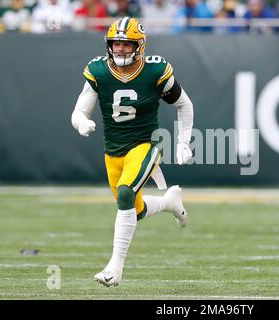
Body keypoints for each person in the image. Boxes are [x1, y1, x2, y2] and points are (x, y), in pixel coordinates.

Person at [71, 17, 194, 287]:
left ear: (139, 46)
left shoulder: (155, 70)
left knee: (126, 193)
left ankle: (115, 267)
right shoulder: (99, 70)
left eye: (126, 45)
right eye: (116, 44)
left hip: (145, 144)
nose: (120, 49)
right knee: (133, 209)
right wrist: (81, 121)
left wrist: (184, 143)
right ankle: (170, 203)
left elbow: (184, 105)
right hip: (113, 150)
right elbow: (79, 109)